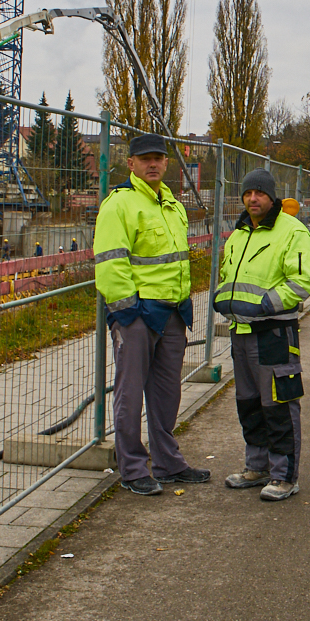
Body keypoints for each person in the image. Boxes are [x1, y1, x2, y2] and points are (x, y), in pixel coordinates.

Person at [94, 132, 208, 496]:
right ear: (131, 163)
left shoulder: (170, 202)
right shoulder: (120, 205)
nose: (153, 164)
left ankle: (168, 463)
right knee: (130, 394)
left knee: (166, 393)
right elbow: (111, 263)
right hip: (139, 315)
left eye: (159, 158)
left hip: (173, 312)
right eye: (146, 159)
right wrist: (129, 314)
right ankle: (132, 468)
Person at [212, 167, 310, 501]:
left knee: (279, 404)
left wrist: (263, 306)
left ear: (272, 196)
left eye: (259, 193)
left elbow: (302, 281)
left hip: (272, 333)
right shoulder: (240, 232)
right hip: (240, 332)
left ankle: (284, 475)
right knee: (249, 404)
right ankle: (256, 467)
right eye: (247, 193)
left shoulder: (293, 231)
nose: (252, 199)